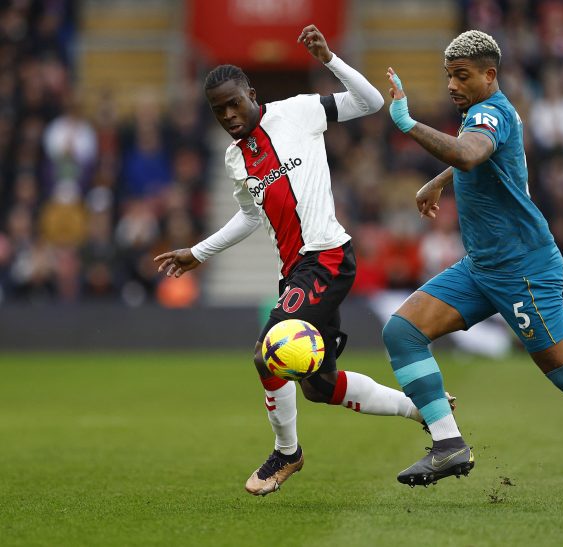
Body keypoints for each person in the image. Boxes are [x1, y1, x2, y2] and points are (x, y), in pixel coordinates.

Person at [383, 30, 563, 506]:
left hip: (523, 269)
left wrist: (407, 124)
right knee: (402, 332)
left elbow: (469, 153)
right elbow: (479, 156)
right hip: (482, 266)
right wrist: (440, 181)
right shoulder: (486, 114)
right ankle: (448, 444)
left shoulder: (490, 112)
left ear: (490, 75)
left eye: (462, 76)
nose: (453, 85)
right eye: (448, 76)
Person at [155, 25, 429, 497]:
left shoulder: (298, 111)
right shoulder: (236, 159)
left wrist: (329, 59)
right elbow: (250, 216)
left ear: (251, 94)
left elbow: (370, 102)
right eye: (218, 110)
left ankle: (287, 453)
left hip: (326, 257)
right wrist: (198, 253)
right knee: (320, 387)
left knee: (268, 353)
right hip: (295, 272)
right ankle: (420, 407)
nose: (228, 115)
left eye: (233, 103)